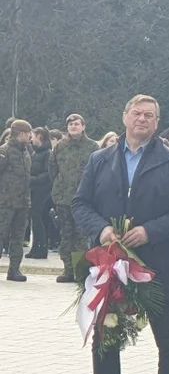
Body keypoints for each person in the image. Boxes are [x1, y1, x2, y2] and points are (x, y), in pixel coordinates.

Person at [73, 95, 169, 374]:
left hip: (154, 264)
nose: (142, 119)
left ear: (157, 122)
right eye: (137, 114)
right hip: (110, 263)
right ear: (125, 117)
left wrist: (149, 231)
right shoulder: (100, 159)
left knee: (168, 338)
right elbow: (80, 204)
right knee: (105, 334)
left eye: (149, 115)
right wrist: (102, 230)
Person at [49, 114, 98, 283]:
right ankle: (68, 270)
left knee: (81, 237)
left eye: (77, 124)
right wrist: (57, 190)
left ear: (83, 126)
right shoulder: (60, 147)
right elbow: (52, 170)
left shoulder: (93, 147)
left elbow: (98, 173)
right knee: (66, 235)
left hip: (84, 200)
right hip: (63, 199)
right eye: (70, 124)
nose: (73, 127)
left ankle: (81, 272)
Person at [0, 120, 32, 282]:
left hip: (22, 202)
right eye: (28, 134)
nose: (30, 137)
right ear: (21, 134)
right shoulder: (4, 152)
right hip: (5, 203)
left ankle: (14, 270)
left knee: (18, 237)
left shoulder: (25, 152)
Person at [25, 127, 53, 259]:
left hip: (42, 191)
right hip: (35, 190)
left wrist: (32, 179)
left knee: (38, 218)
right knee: (35, 219)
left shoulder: (47, 153)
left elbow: (47, 173)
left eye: (33, 136)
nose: (31, 139)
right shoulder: (36, 153)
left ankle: (41, 247)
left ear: (40, 136)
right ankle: (36, 247)